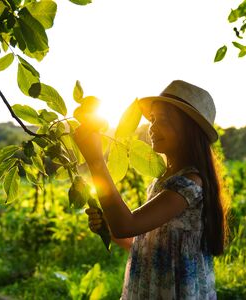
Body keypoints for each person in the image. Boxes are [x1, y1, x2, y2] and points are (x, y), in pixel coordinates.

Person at [73, 80, 229, 299]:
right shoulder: (163, 182)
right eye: (153, 119)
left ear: (189, 129)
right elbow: (144, 247)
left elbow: (127, 225)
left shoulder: (189, 184)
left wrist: (96, 161)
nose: (152, 127)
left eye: (163, 119)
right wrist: (109, 228)